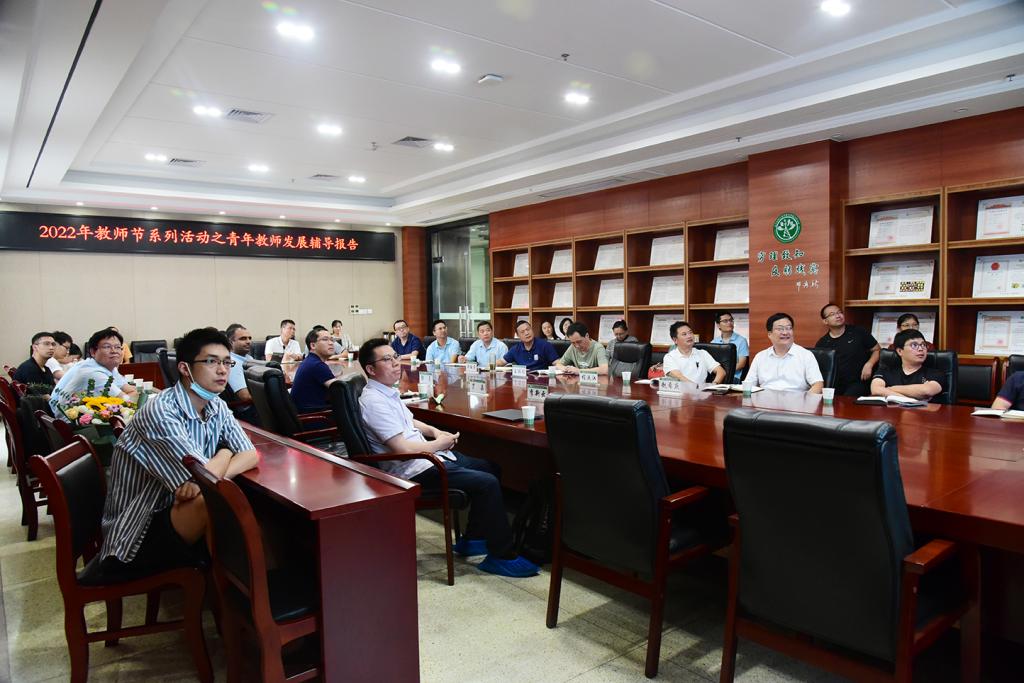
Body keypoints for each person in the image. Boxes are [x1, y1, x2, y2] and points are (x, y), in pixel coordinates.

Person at [358, 338, 539, 577]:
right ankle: (502, 555)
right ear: (371, 369)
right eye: (387, 359)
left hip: (426, 456)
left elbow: (410, 421)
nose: (395, 363)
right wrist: (438, 444)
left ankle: (474, 538)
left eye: (395, 356)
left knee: (490, 467)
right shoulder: (373, 401)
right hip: (413, 470)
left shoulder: (386, 392)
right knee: (487, 483)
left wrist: (435, 432)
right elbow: (401, 448)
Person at [98, 327, 258, 578]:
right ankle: (237, 589)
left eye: (227, 362)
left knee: (226, 499)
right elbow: (204, 479)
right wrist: (226, 453)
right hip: (134, 532)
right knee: (214, 501)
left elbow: (250, 454)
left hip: (173, 510)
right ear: (185, 368)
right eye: (211, 362)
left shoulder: (216, 404)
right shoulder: (161, 411)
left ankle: (246, 582)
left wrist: (209, 476)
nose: (222, 370)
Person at [50, 328, 139, 418]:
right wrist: (127, 398)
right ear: (93, 352)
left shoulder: (109, 366)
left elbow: (132, 392)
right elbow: (128, 402)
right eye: (107, 347)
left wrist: (127, 398)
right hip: (70, 422)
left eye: (117, 347)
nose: (114, 351)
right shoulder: (91, 372)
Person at [746, 313, 824, 393]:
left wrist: (805, 400)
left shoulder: (806, 355)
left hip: (796, 399)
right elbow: (748, 384)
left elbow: (818, 384)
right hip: (766, 399)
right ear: (769, 334)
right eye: (780, 329)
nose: (785, 332)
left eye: (789, 328)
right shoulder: (760, 357)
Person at [816, 303, 880, 396]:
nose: (838, 316)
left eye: (839, 312)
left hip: (859, 381)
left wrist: (869, 364)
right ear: (825, 321)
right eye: (832, 314)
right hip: (834, 384)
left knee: (847, 399)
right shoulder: (822, 343)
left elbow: (877, 350)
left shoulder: (858, 332)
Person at [870, 329, 946, 402]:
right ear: (900, 351)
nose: (921, 349)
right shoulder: (885, 371)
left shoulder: (935, 373)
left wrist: (889, 389)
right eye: (914, 345)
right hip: (892, 411)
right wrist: (910, 401)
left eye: (923, 345)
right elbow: (876, 390)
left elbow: (927, 391)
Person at [290, 328, 341, 412]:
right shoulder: (316, 365)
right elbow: (341, 390)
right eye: (325, 339)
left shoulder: (310, 361)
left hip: (305, 412)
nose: (331, 343)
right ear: (313, 345)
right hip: (313, 416)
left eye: (332, 339)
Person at [224, 323, 260, 424]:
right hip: (249, 412)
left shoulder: (248, 358)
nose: (248, 341)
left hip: (257, 405)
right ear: (231, 342)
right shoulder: (232, 363)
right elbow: (245, 396)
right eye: (243, 339)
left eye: (249, 338)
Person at [711, 312, 749, 381]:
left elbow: (741, 364)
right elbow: (711, 364)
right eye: (725, 321)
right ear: (718, 325)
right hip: (717, 376)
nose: (729, 323)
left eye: (731, 320)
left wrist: (724, 372)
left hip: (734, 377)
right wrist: (720, 373)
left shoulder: (741, 340)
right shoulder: (713, 342)